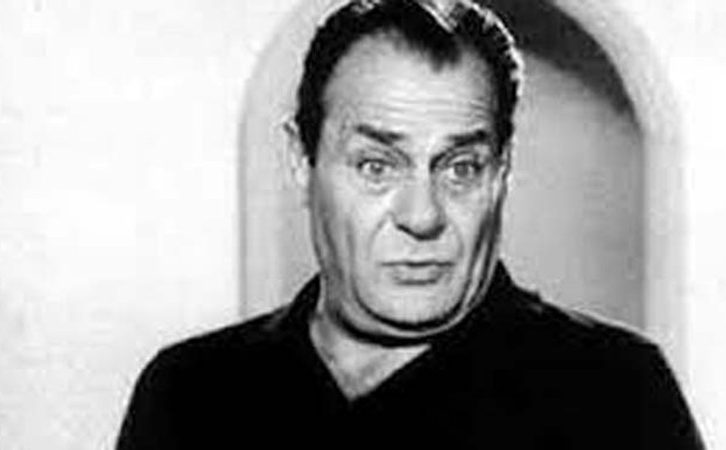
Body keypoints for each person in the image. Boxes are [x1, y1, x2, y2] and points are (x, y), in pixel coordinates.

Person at [116, 0, 704, 448]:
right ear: (301, 159)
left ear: (502, 171)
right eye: (376, 166)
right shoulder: (190, 395)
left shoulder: (617, 396)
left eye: (460, 167)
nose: (421, 216)